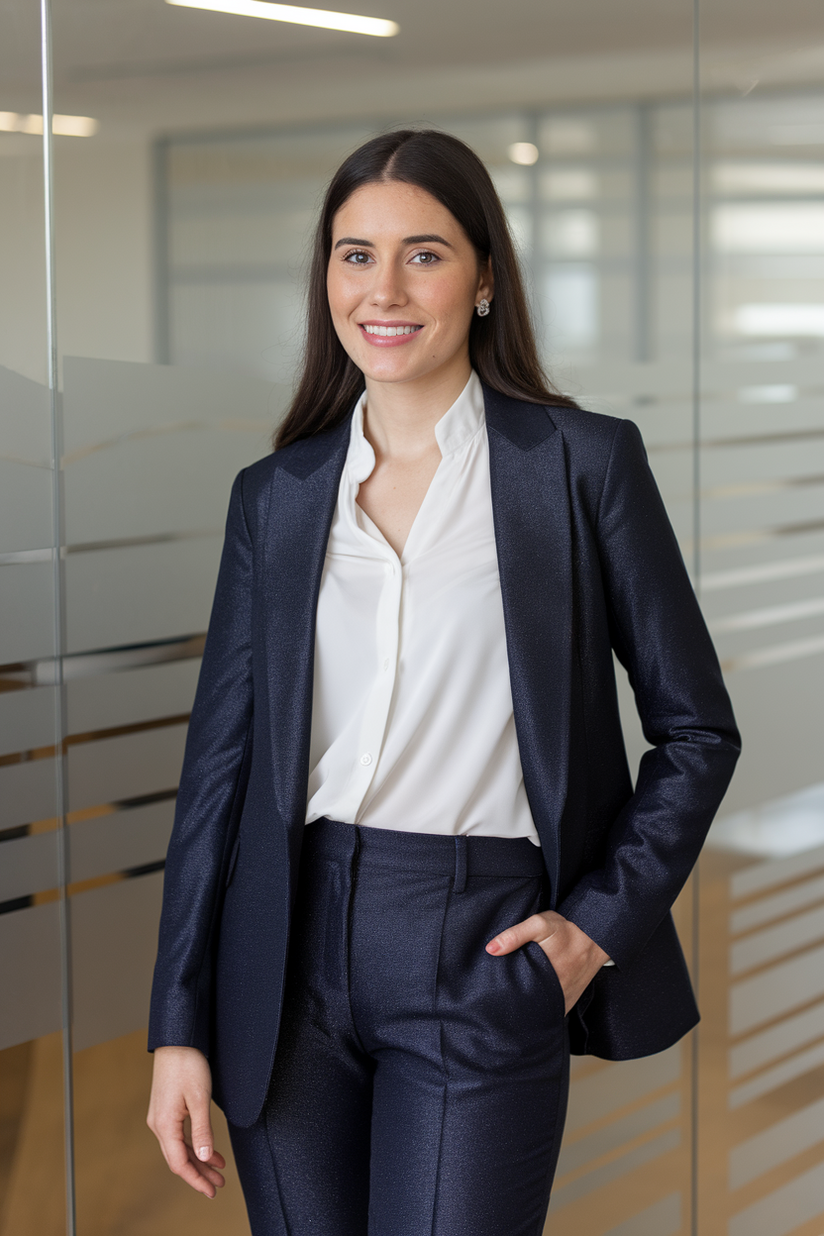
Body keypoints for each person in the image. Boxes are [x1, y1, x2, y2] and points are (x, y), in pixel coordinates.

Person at [146, 128, 740, 1236]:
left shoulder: (578, 465)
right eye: (352, 254)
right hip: (282, 958)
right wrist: (175, 1024)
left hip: (479, 937)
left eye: (422, 254)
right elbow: (216, 778)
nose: (382, 288)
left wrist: (592, 925)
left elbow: (696, 731)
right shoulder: (274, 498)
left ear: (482, 280)